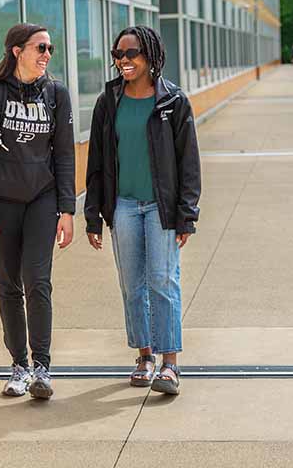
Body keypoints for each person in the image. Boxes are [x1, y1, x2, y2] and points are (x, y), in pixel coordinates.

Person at [84, 25, 201, 396]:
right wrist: (93, 215)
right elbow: (97, 162)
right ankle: (144, 356)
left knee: (163, 282)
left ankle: (170, 364)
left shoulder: (173, 101)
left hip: (161, 208)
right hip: (123, 206)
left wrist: (186, 213)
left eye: (131, 54)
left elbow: (189, 164)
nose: (123, 60)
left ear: (150, 56)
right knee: (132, 286)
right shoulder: (109, 101)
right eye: (118, 54)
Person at [0, 23, 76, 400]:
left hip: (42, 199)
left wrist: (68, 210)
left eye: (50, 48)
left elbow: (64, 154)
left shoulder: (56, 94)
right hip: (3, 202)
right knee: (8, 285)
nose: (47, 54)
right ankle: (19, 366)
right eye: (41, 47)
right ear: (17, 50)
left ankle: (42, 368)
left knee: (37, 279)